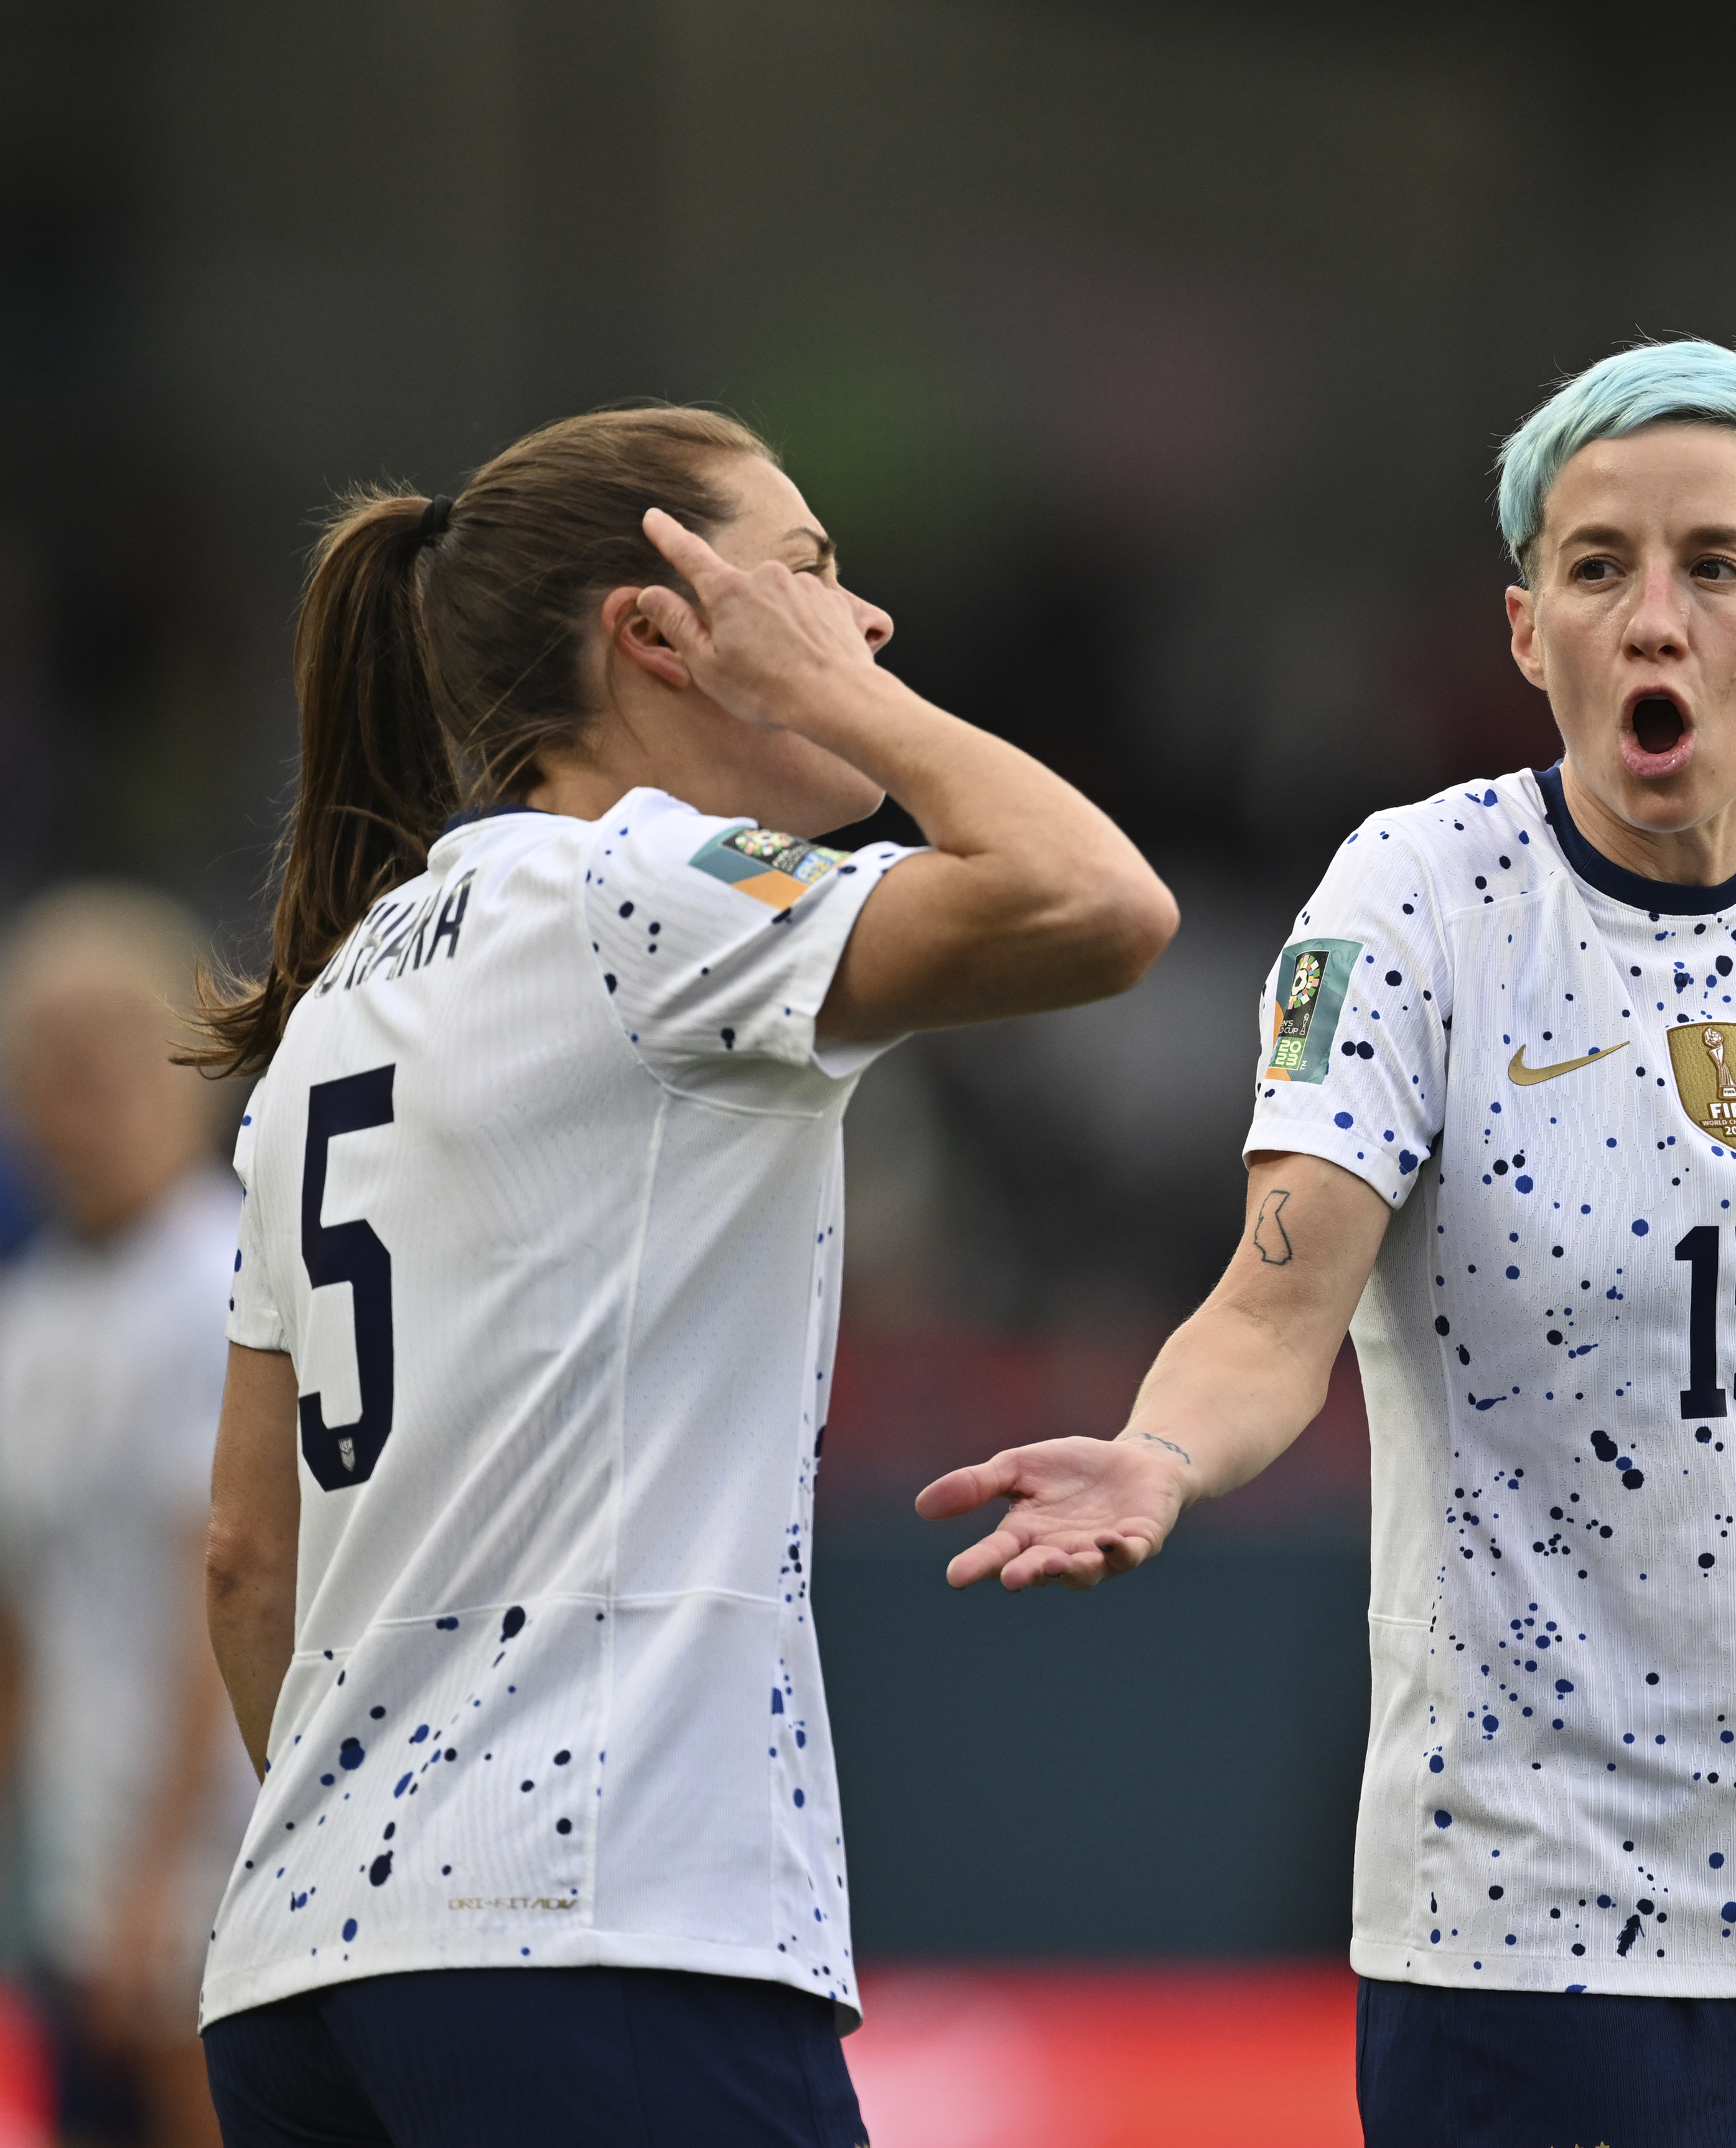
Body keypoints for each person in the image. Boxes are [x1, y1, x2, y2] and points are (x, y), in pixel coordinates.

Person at [918, 341, 1736, 2146]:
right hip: (1540, 1916)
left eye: (1714, 565)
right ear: (1525, 628)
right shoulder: (1415, 898)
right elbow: (1271, 1298)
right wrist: (1159, 1454)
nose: (1653, 617)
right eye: (1595, 566)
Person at [190, 406, 1176, 2146]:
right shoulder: (637, 890)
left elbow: (245, 1556)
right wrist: (852, 708)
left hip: (304, 1974)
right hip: (598, 1928)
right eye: (803, 577)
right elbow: (1101, 904)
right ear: (659, 630)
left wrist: (404, 1873)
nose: (856, 621)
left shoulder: (333, 1005)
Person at [0, 887, 254, 2148]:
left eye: (110, 1050)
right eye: (49, 1060)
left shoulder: (218, 1271)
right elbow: (26, 1618)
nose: (80, 1092)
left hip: (210, 1867)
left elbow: (215, 1586)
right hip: (77, 1873)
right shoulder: (35, 1309)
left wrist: (157, 1882)